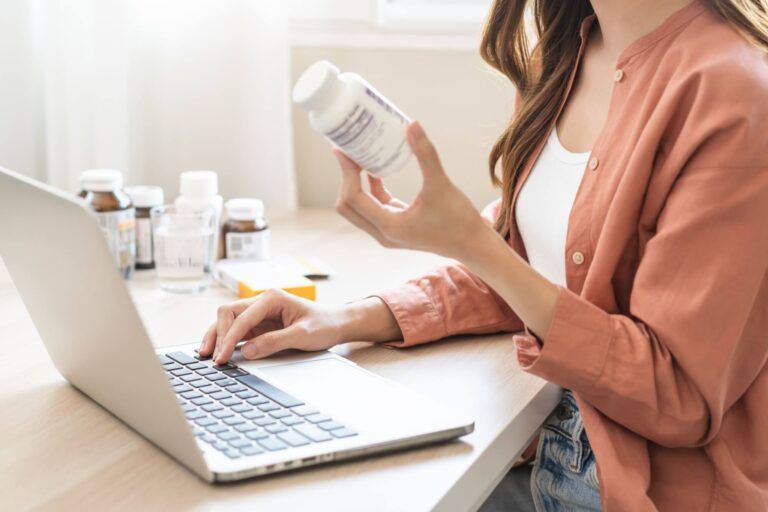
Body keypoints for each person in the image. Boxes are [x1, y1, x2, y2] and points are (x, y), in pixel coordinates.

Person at [199, 0, 768, 509]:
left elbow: (680, 396)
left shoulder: (736, 91)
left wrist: (471, 244)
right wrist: (345, 319)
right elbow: (534, 269)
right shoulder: (568, 51)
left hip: (637, 486)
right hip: (537, 441)